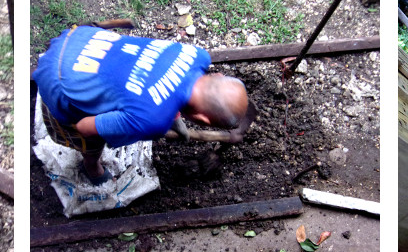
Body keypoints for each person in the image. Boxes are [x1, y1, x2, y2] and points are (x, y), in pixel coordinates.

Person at [33, 25, 249, 185]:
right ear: (204, 120)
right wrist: (131, 125)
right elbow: (85, 127)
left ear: (218, 74)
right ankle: (91, 167)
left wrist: (171, 116)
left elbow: (160, 79)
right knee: (90, 139)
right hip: (57, 81)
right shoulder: (151, 120)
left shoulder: (196, 55)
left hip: (81, 39)